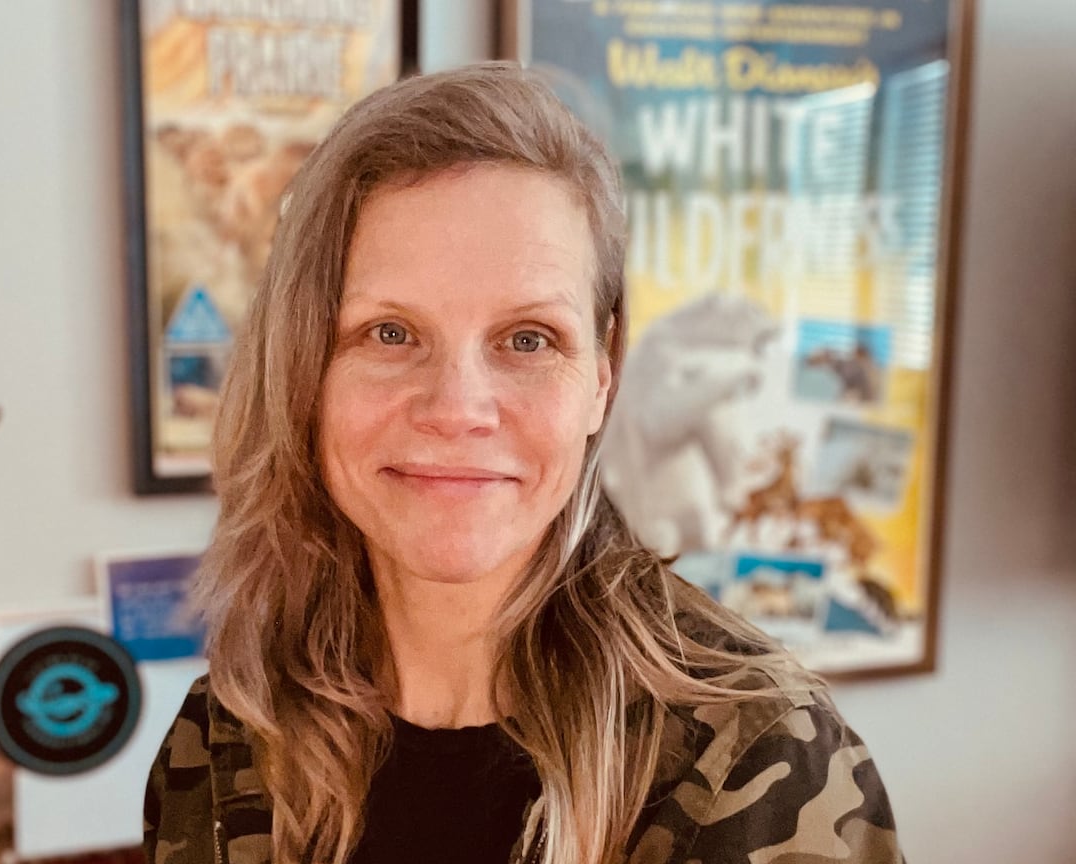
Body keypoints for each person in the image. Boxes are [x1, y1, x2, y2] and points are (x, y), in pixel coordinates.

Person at [143, 62, 903, 864]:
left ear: (602, 377)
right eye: (390, 333)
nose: (457, 408)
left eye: (529, 339)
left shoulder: (757, 757)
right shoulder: (228, 740)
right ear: (305, 369)